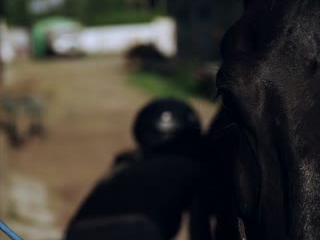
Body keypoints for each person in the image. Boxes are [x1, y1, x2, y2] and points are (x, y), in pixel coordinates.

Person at [65, 98, 213, 240]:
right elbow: (200, 222)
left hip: (77, 232)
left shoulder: (124, 166)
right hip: (137, 231)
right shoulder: (189, 167)